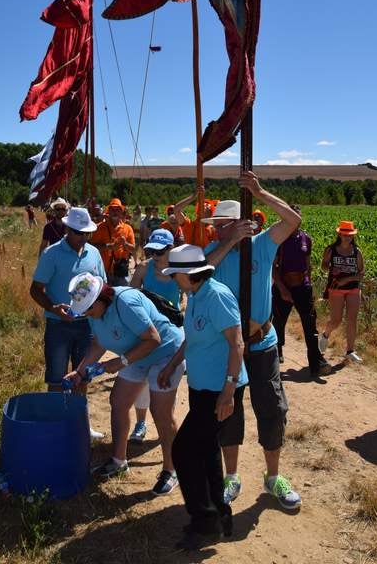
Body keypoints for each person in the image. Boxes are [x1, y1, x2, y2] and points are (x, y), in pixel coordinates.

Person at [203, 172, 302, 511]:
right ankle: (232, 476)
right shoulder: (213, 251)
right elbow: (199, 274)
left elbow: (293, 220)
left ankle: (273, 477)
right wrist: (228, 242)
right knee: (228, 410)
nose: (215, 229)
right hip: (228, 347)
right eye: (215, 225)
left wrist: (259, 193)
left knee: (272, 408)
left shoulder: (262, 246)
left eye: (221, 224)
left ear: (238, 222)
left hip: (262, 343)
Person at [157, 245, 247, 548]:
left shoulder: (216, 296)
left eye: (175, 273)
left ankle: (204, 521)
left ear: (188, 273)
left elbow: (237, 344)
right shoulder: (195, 296)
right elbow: (191, 339)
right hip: (202, 388)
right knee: (206, 451)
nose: (172, 278)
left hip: (218, 391)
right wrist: (171, 365)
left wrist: (229, 391)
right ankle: (220, 517)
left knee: (183, 451)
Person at [63, 272, 185, 496]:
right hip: (135, 354)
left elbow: (153, 338)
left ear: (101, 298)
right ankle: (119, 461)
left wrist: (121, 361)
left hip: (166, 353)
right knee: (118, 401)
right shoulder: (93, 311)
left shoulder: (125, 303)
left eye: (89, 309)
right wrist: (79, 372)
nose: (87, 314)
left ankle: (171, 469)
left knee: (160, 412)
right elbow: (99, 343)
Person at [29, 206, 106, 439]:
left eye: (87, 233)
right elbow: (35, 290)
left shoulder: (93, 253)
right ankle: (55, 426)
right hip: (58, 326)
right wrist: (53, 307)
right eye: (79, 233)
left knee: (82, 376)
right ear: (67, 229)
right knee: (56, 376)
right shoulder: (52, 254)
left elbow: (102, 284)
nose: (84, 237)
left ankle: (80, 425)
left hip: (86, 325)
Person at [128, 228, 182, 443]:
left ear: (172, 249)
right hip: (147, 332)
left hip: (172, 332)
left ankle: (167, 421)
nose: (156, 255)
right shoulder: (143, 269)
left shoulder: (180, 270)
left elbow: (191, 296)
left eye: (161, 251)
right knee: (140, 381)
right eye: (152, 250)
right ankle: (141, 423)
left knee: (166, 381)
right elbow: (131, 297)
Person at [272, 206, 331, 376]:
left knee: (310, 325)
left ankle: (316, 363)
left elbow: (308, 264)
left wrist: (309, 285)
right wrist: (282, 289)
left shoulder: (306, 239)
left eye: (297, 216)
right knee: (278, 323)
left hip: (302, 287)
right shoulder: (279, 239)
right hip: (283, 286)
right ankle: (276, 356)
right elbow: (273, 268)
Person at [318, 220, 365, 363]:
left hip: (353, 288)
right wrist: (330, 267)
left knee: (352, 319)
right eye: (344, 235)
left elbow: (361, 272)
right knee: (336, 320)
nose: (347, 237)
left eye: (350, 235)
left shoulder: (356, 252)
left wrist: (347, 279)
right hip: (336, 289)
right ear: (339, 234)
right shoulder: (331, 250)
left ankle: (350, 351)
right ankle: (326, 335)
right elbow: (324, 267)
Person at [90, 198, 136, 285]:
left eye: (118, 209)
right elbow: (92, 247)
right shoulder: (100, 227)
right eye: (112, 209)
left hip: (121, 272)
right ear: (108, 211)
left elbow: (133, 249)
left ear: (121, 212)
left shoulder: (127, 228)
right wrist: (109, 246)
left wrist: (125, 243)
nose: (115, 212)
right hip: (103, 272)